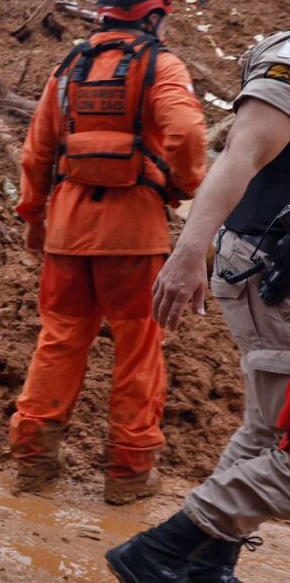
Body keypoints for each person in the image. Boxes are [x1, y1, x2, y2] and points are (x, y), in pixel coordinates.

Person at [10, 0, 207, 505]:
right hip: (136, 237)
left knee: (59, 342)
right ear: (152, 15)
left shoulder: (68, 69)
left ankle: (32, 463)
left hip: (68, 233)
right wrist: (188, 188)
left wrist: (33, 217)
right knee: (139, 352)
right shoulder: (160, 65)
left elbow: (36, 153)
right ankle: (128, 475)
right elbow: (187, 132)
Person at [105, 30, 290, 581]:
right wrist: (188, 253)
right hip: (269, 273)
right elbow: (241, 153)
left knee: (263, 432)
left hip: (263, 267)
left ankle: (203, 562)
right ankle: (165, 550)